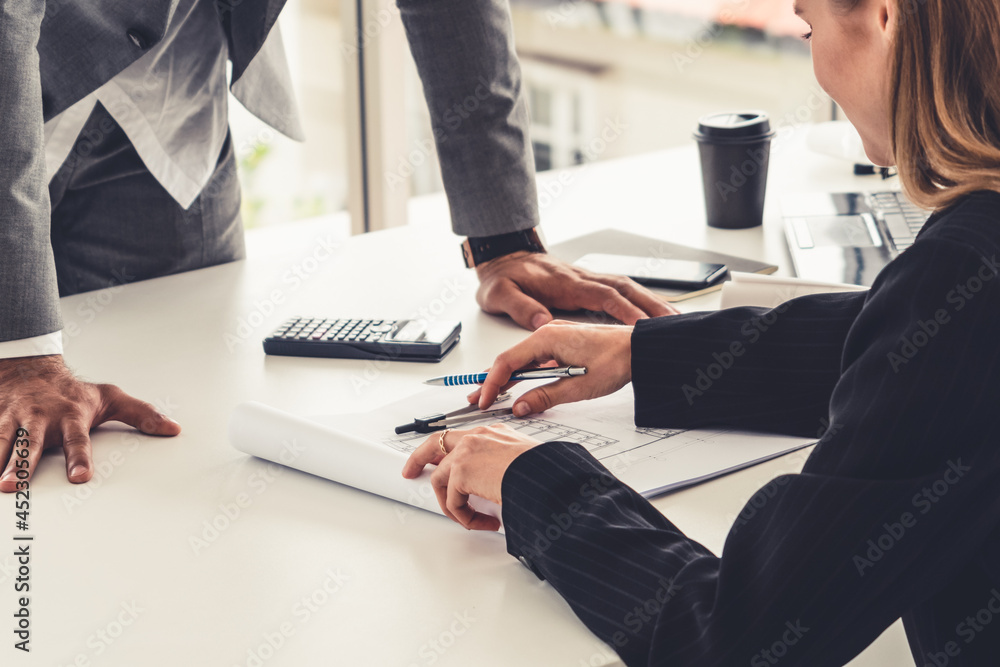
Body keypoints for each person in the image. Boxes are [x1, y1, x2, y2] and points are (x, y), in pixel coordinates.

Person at [402, 0, 1000, 664]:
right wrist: (648, 352)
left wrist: (538, 480)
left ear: (886, 18)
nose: (815, 67)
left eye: (808, 28)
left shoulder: (965, 273)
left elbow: (736, 640)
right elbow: (922, 356)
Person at [0, 0, 675, 492]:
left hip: (167, 119)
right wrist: (22, 353)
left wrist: (501, 236)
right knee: (20, 458)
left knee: (162, 454)